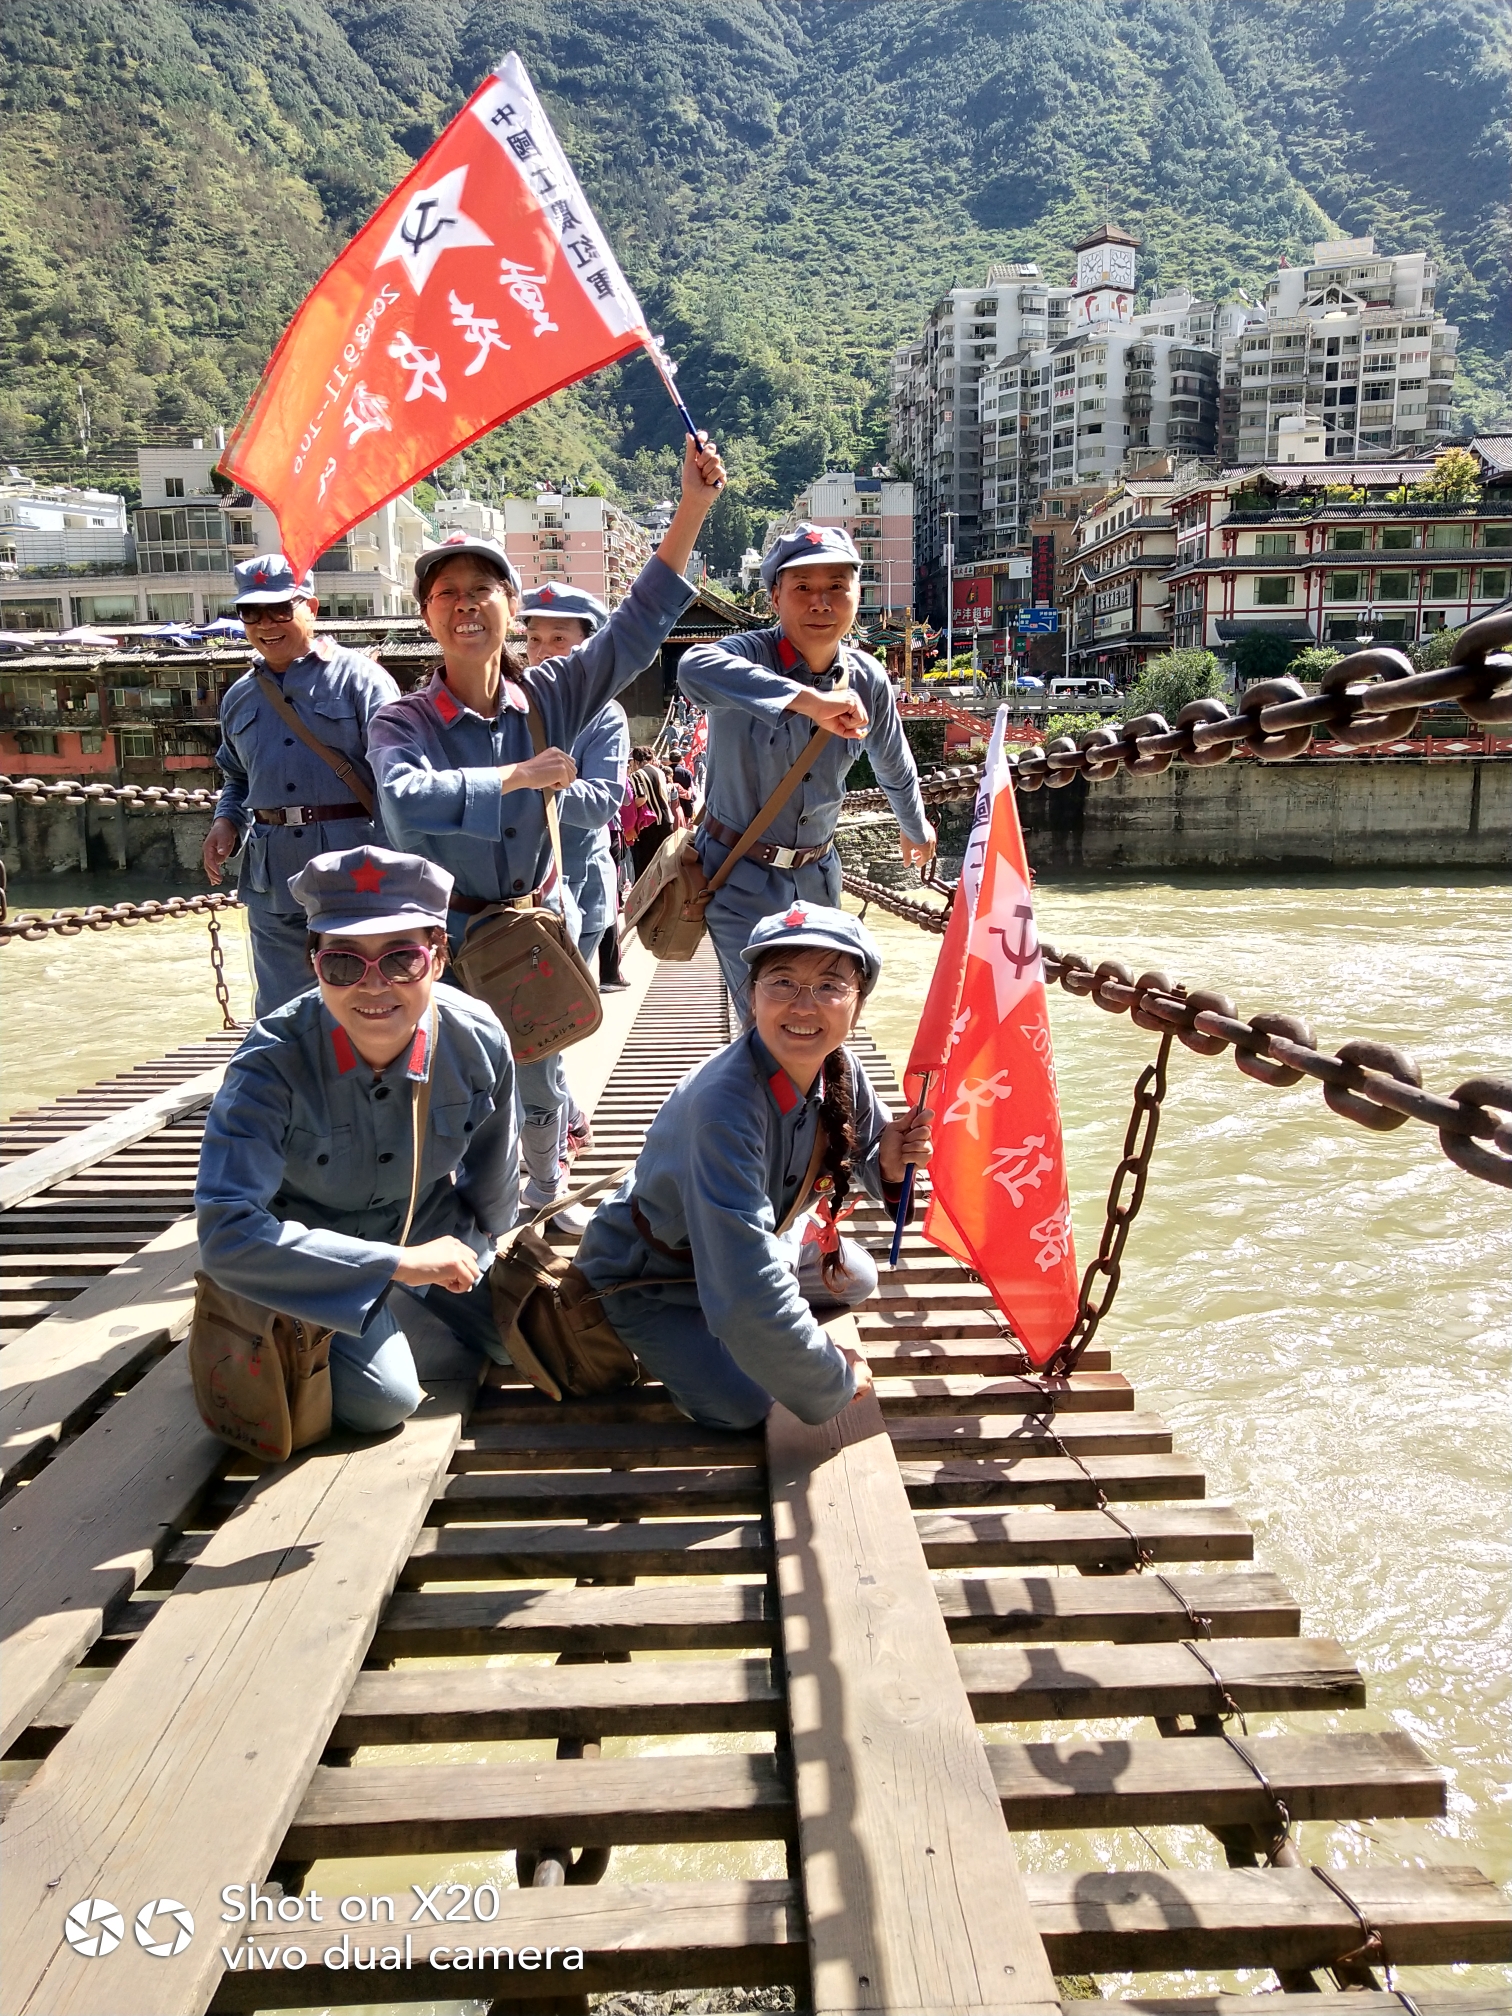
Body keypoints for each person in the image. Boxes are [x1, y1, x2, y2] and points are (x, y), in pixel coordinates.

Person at [368, 433, 726, 1229]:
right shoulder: (402, 719)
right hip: (443, 935)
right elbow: (401, 803)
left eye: (483, 590)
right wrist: (515, 779)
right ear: (427, 613)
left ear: (509, 608)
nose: (466, 605)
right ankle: (456, 1214)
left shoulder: (553, 695)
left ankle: (539, 1194)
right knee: (447, 1078)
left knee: (540, 1073)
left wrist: (693, 508)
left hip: (533, 926)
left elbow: (634, 628)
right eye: (447, 593)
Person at [572, 903, 934, 1430]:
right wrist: (834, 1376)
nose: (804, 1006)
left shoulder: (841, 1067)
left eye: (830, 986)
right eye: (782, 981)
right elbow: (746, 1289)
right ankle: (658, 1331)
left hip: (751, 1240)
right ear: (751, 994)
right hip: (656, 1272)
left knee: (856, 1276)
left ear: (857, 1006)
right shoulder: (723, 1108)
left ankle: (751, 1308)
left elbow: (868, 1155)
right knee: (740, 1408)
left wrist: (893, 1161)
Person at [195, 846, 517, 1435]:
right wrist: (398, 1264)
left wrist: (490, 1251)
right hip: (305, 1235)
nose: (374, 987)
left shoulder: (477, 1038)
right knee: (382, 1401)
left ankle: (395, 1302)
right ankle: (271, 1308)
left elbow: (494, 1166)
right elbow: (226, 1233)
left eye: (402, 960)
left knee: (523, 1338)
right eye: (343, 963)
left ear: (439, 958)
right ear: (312, 963)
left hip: (421, 1212)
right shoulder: (269, 1064)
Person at [677, 522, 936, 1015]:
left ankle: (807, 1091)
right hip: (737, 874)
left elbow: (893, 761)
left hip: (818, 875)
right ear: (775, 596)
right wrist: (809, 702)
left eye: (837, 587)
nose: (821, 603)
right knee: (767, 1017)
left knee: (819, 1012)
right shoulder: (744, 656)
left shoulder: (867, 678)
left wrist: (914, 826)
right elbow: (692, 668)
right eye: (803, 588)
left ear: (858, 595)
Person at [202, 555, 399, 1016]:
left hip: (355, 869)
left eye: (280, 610)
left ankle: (356, 1085)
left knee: (363, 996)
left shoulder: (361, 680)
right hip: (274, 874)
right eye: (252, 613)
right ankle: (291, 1085)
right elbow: (236, 774)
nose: (266, 624)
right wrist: (226, 820)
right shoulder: (240, 696)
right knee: (280, 1005)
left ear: (311, 605)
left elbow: (398, 779)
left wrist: (395, 867)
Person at [519, 583, 631, 1165]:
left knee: (552, 1028)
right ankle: (560, 1122)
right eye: (534, 639)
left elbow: (603, 801)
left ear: (587, 645)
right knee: (518, 1030)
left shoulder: (602, 714)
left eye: (559, 638)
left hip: (576, 896)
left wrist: (526, 782)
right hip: (510, 900)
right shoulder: (510, 705)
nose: (544, 651)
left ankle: (555, 1144)